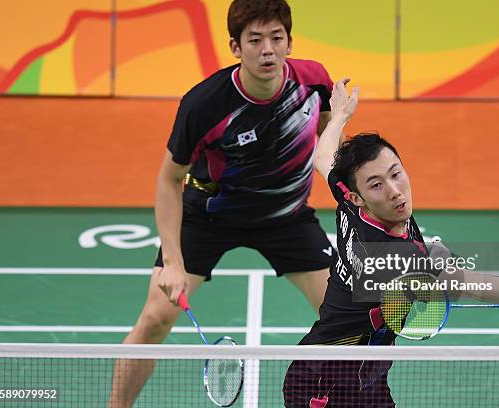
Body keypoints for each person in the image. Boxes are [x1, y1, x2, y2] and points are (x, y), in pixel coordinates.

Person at [283, 78, 499, 407]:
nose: (394, 190)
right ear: (358, 196)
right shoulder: (390, 258)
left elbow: (323, 157)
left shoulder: (352, 201)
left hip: (366, 379)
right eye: (377, 184)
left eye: (396, 173)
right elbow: (464, 282)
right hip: (325, 387)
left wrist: (341, 115)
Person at [109, 1, 336, 406]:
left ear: (289, 42)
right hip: (210, 214)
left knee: (343, 316)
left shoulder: (314, 80)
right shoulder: (204, 105)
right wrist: (173, 263)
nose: (267, 49)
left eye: (276, 38)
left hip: (286, 217)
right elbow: (168, 179)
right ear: (236, 47)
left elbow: (322, 127)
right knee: (155, 319)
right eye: (255, 40)